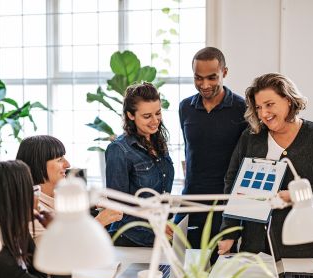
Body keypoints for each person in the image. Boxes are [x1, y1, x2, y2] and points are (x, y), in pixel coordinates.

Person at [218, 73, 313, 260]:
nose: (263, 113)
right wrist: (229, 232)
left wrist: (294, 196)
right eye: (259, 107)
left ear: (288, 100)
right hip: (255, 246)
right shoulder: (251, 137)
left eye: (269, 104)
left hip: (305, 248)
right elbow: (233, 184)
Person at [178, 47, 247, 249]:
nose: (204, 85)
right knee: (187, 270)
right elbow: (191, 152)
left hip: (226, 203)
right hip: (192, 200)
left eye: (212, 77)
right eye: (198, 78)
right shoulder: (185, 108)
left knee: (221, 273)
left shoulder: (242, 109)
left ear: (224, 73)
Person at [105, 82, 175, 247]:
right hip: (131, 238)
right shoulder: (119, 150)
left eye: (158, 113)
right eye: (147, 116)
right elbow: (118, 207)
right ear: (130, 115)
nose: (155, 121)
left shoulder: (158, 142)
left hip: (158, 236)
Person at [16, 135, 123, 242]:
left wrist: (94, 202)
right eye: (59, 159)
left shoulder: (59, 196)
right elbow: (56, 251)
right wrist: (99, 221)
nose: (67, 164)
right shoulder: (30, 210)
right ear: (39, 164)